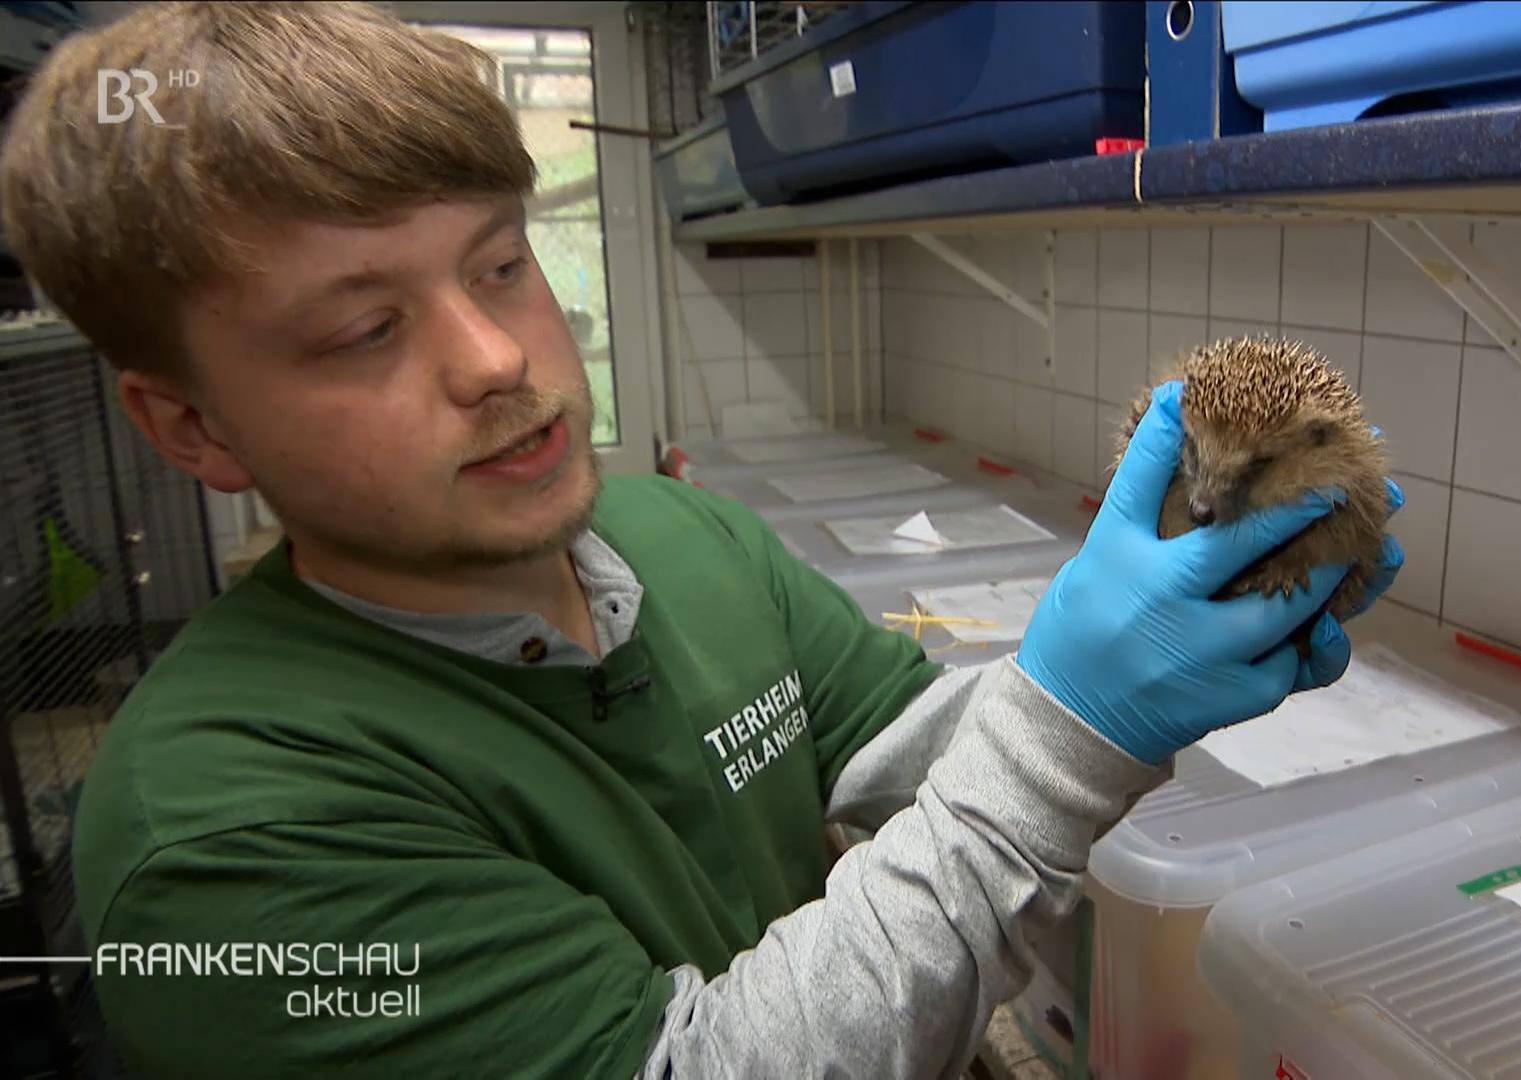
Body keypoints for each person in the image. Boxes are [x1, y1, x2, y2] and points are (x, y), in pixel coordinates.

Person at [0, 3, 1403, 1077]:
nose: (499, 354)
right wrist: (1074, 730)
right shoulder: (223, 842)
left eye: (502, 261)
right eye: (366, 328)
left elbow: (890, 765)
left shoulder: (672, 534)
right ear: (189, 426)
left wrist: (1129, 650)